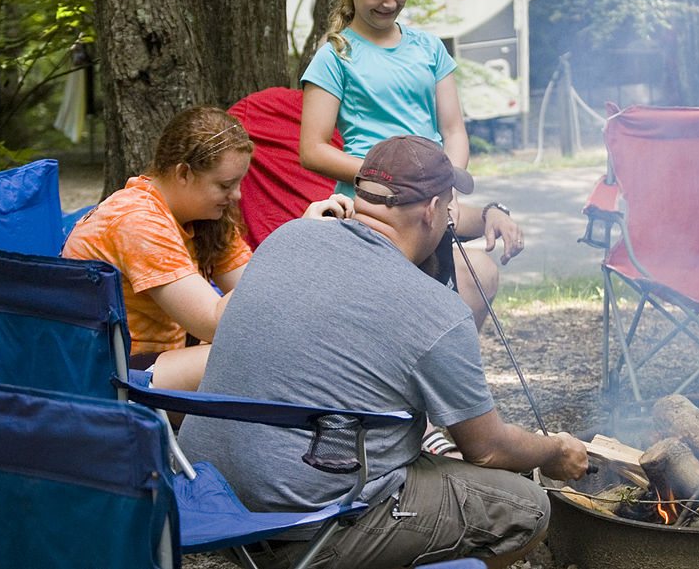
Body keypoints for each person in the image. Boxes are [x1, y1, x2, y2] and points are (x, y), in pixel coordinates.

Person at [178, 135, 588, 569]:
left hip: (210, 500)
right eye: (449, 205)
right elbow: (486, 450)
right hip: (308, 528)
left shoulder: (288, 237)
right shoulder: (434, 309)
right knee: (526, 508)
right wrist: (554, 450)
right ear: (432, 210)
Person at [298, 0, 522, 329]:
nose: (390, 3)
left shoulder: (428, 48)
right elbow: (312, 150)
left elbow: (453, 130)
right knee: (395, 308)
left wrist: (444, 179)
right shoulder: (335, 56)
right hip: (371, 202)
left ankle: (449, 380)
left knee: (481, 274)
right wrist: (390, 179)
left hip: (431, 199)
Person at [62, 105, 352, 391]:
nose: (237, 195)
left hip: (164, 358)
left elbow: (263, 302)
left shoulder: (203, 218)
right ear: (184, 173)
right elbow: (212, 322)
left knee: (293, 341)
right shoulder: (138, 220)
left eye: (239, 183)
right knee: (267, 356)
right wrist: (296, 242)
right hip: (112, 371)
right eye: (225, 185)